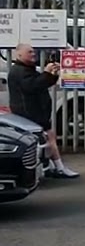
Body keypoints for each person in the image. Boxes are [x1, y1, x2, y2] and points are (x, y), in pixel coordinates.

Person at [8, 43, 78, 178]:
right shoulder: (19, 71)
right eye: (29, 52)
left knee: (45, 140)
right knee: (47, 139)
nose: (33, 54)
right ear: (19, 54)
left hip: (34, 112)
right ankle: (58, 167)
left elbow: (41, 83)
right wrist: (46, 73)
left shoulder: (26, 69)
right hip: (29, 113)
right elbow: (32, 86)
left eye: (33, 52)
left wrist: (52, 75)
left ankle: (50, 167)